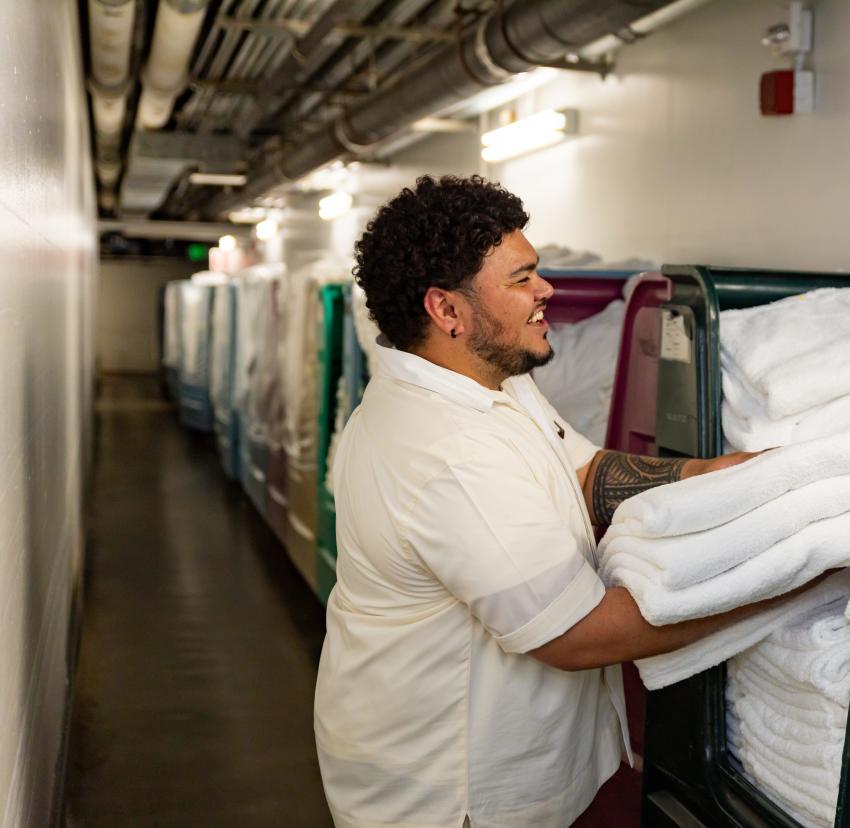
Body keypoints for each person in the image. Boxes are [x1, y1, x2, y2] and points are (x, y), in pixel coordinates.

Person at [314, 175, 821, 828]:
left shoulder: (487, 380)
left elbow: (584, 474)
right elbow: (575, 635)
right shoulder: (445, 450)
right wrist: (788, 581)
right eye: (522, 279)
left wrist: (719, 472)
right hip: (450, 799)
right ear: (448, 311)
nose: (545, 291)